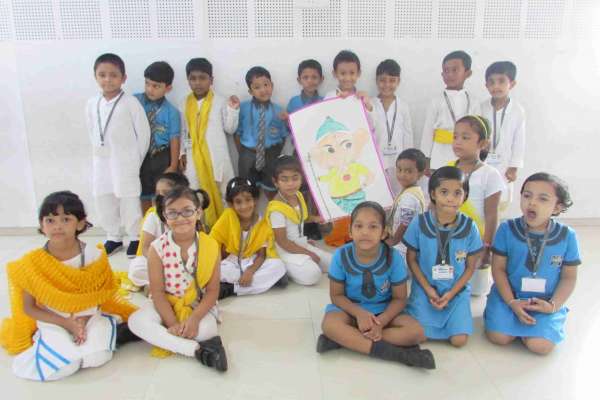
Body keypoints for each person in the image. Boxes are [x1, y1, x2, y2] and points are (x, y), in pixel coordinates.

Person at [0, 191, 137, 381]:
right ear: (41, 225)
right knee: (64, 367)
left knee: (97, 358)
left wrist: (81, 320)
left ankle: (100, 330)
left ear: (80, 223)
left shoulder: (94, 256)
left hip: (89, 315)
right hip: (52, 318)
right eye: (50, 220)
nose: (57, 226)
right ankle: (44, 341)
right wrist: (66, 323)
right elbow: (29, 307)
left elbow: (101, 295)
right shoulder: (32, 263)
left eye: (66, 219)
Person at [317, 201, 435, 369]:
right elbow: (336, 296)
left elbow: (400, 298)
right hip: (351, 310)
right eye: (358, 226)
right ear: (350, 232)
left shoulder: (393, 258)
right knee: (329, 325)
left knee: (416, 332)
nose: (365, 232)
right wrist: (359, 314)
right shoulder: (340, 256)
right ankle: (397, 354)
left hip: (385, 311)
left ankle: (348, 340)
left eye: (373, 227)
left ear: (383, 232)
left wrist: (381, 322)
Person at [128, 186, 227, 371]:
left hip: (197, 304)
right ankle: (196, 351)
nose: (181, 218)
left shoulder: (210, 245)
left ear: (198, 213)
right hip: (165, 302)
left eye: (187, 211)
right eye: (173, 213)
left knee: (206, 330)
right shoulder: (157, 248)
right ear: (165, 218)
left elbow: (213, 291)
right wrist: (172, 323)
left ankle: (160, 336)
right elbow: (157, 293)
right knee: (136, 320)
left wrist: (195, 319)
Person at [484, 173, 580, 354]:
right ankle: (505, 315)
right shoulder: (506, 229)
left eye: (543, 199)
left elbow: (569, 278)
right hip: (509, 297)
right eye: (527, 196)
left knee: (541, 347)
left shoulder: (568, 236)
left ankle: (546, 321)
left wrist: (553, 305)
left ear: (557, 207)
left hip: (545, 301)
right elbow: (498, 270)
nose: (532, 203)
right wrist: (512, 302)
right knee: (499, 338)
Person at [403, 167, 483, 347]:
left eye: (457, 193)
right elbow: (411, 259)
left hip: (456, 292)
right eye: (444, 192)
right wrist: (429, 290)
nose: (450, 198)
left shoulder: (470, 227)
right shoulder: (419, 222)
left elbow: (470, 267)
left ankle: (454, 315)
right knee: (417, 334)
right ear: (433, 193)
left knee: (459, 340)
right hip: (426, 289)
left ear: (465, 195)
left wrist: (451, 293)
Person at [85, 53, 151, 257]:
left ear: (123, 78)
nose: (107, 79)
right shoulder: (92, 104)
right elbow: (91, 130)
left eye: (113, 75)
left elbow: (144, 134)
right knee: (104, 197)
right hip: (101, 161)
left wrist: (135, 160)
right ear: (95, 76)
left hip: (126, 161)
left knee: (129, 199)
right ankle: (113, 236)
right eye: (102, 75)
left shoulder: (130, 103)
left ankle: (134, 237)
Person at [450, 115, 505, 295]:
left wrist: (486, 247)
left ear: (483, 143)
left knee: (476, 291)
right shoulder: (449, 169)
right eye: (455, 136)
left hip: (477, 239)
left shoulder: (490, 174)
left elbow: (491, 215)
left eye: (465, 137)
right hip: (451, 236)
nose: (458, 141)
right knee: (450, 283)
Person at [180, 57, 237, 227]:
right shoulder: (184, 103)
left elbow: (230, 129)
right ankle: (203, 229)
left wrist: (232, 110)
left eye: (202, 78)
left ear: (211, 80)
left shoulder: (220, 101)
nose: (198, 82)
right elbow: (184, 131)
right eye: (193, 78)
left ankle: (227, 229)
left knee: (223, 191)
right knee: (195, 192)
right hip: (193, 158)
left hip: (216, 157)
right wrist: (182, 153)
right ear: (188, 80)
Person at [210, 177, 287, 298]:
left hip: (252, 261)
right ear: (231, 204)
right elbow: (213, 244)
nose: (244, 206)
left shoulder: (263, 222)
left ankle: (231, 288)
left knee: (278, 266)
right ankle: (262, 282)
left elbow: (262, 255)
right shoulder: (228, 216)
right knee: (213, 271)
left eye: (248, 200)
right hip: (232, 262)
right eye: (238, 202)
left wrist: (250, 271)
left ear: (255, 200)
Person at [266, 156, 332, 285]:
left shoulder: (298, 195)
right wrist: (309, 253)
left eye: (295, 178)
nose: (290, 184)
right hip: (284, 251)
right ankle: (283, 268)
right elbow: (283, 242)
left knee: (335, 263)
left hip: (300, 245)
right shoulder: (276, 208)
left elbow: (300, 217)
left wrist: (317, 219)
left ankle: (303, 262)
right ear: (275, 182)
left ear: (302, 178)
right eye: (284, 179)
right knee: (313, 275)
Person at [227, 66, 288, 199]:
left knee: (271, 188)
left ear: (272, 85)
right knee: (247, 191)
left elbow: (283, 136)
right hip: (248, 154)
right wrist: (243, 152)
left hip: (270, 155)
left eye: (266, 85)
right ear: (250, 91)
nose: (263, 90)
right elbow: (237, 133)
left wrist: (274, 152)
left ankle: (274, 215)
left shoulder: (279, 110)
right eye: (257, 87)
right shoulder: (242, 107)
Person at [128, 172, 191, 288]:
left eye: (166, 193)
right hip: (158, 262)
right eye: (158, 193)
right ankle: (158, 285)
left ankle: (163, 285)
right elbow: (146, 247)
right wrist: (161, 262)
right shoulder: (153, 217)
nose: (160, 197)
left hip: (183, 262)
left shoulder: (188, 215)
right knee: (136, 268)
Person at [420, 50, 480, 174]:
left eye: (455, 70)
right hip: (440, 153)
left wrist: (477, 155)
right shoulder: (436, 101)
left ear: (467, 73)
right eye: (446, 71)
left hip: (466, 154)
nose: (450, 74)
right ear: (442, 74)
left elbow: (478, 132)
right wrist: (426, 159)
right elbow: (428, 131)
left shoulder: (474, 102)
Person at [135, 61, 181, 213]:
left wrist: (173, 165)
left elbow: (174, 138)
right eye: (147, 84)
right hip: (141, 156)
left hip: (161, 156)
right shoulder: (135, 102)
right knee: (143, 194)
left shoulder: (171, 111)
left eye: (156, 86)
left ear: (168, 88)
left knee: (162, 195)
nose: (150, 89)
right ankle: (146, 226)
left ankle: (161, 227)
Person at [480, 61, 526, 209]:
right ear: (486, 85)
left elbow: (519, 141)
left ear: (511, 84)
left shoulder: (517, 111)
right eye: (491, 82)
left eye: (501, 81)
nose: (496, 86)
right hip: (483, 160)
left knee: (501, 198)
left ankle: (497, 227)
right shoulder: (481, 108)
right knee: (482, 195)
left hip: (505, 163)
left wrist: (514, 166)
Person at [373, 59, 414, 195]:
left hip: (398, 162)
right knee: (378, 195)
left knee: (398, 194)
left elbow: (408, 134)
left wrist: (410, 160)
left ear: (398, 81)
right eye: (382, 80)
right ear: (376, 81)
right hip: (376, 161)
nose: (387, 85)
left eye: (392, 80)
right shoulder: (369, 105)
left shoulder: (403, 106)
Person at [386, 149, 426, 259]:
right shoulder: (411, 191)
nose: (402, 175)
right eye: (399, 170)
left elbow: (405, 223)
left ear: (420, 174)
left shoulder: (410, 197)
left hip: (403, 249)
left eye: (408, 171)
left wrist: (393, 241)